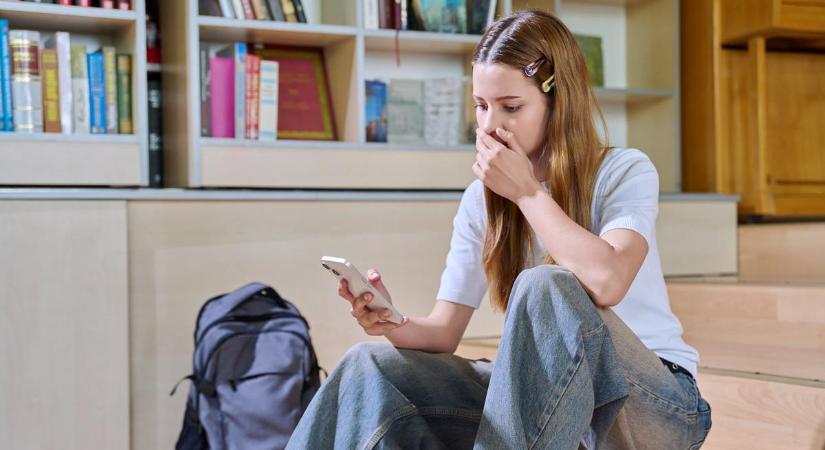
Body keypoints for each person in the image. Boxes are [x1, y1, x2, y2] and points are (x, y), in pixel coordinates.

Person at [286, 9, 712, 450]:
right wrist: (393, 320)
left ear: (557, 100)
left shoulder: (624, 170)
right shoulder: (480, 200)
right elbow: (444, 332)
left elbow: (608, 280)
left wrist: (527, 194)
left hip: (658, 407)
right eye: (481, 105)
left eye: (511, 107)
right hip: (550, 401)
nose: (490, 125)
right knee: (368, 367)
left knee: (547, 286)